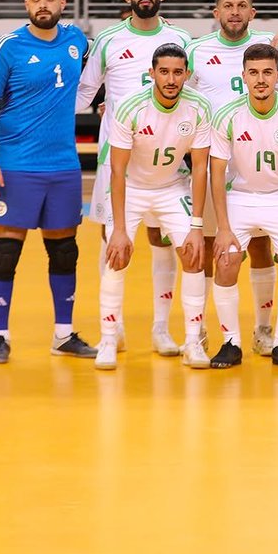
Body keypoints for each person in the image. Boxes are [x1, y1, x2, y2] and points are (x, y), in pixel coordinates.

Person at [0, 0, 96, 364]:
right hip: (15, 167)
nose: (43, 4)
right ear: (26, 3)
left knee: (64, 252)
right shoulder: (8, 46)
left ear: (63, 2)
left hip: (63, 167)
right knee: (5, 253)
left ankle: (63, 334)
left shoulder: (78, 40)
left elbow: (108, 70)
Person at [76, 0, 193, 358]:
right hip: (118, 161)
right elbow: (85, 93)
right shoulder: (108, 39)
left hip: (167, 162)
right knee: (112, 239)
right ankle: (114, 330)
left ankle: (161, 328)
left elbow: (192, 93)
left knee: (163, 239)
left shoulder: (180, 38)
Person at [94, 43, 211, 371]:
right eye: (164, 72)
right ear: (152, 73)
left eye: (177, 72)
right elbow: (117, 170)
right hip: (132, 187)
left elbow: (200, 167)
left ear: (187, 74)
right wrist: (119, 229)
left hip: (171, 187)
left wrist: (197, 226)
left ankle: (192, 341)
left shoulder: (199, 107)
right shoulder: (131, 106)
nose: (171, 79)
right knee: (116, 256)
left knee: (193, 255)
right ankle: (108, 338)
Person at [209, 44, 278, 368]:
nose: (261, 79)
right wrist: (223, 228)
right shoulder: (227, 115)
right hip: (240, 196)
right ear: (243, 76)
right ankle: (231, 342)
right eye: (253, 73)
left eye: (267, 72)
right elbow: (216, 173)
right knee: (225, 259)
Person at [186, 0, 278, 351]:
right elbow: (178, 93)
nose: (235, 11)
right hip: (212, 163)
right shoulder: (197, 50)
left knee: (260, 246)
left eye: (242, 6)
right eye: (228, 6)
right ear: (216, 13)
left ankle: (263, 329)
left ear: (253, 13)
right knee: (211, 247)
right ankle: (202, 328)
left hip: (258, 162)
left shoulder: (268, 49)